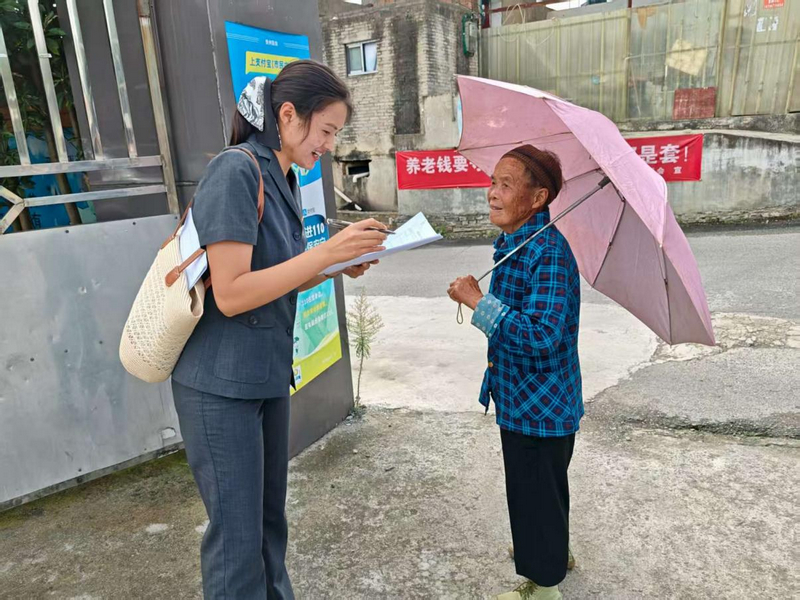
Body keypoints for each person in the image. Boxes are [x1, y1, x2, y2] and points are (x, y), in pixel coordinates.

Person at [170, 60, 387, 600]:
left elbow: (273, 277)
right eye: (328, 131)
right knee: (237, 541)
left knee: (269, 528)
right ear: (289, 116)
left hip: (264, 379)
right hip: (220, 386)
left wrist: (334, 265)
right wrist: (326, 253)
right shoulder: (236, 169)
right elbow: (234, 290)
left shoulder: (281, 176)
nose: (330, 146)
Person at [447, 145, 582, 600]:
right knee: (536, 493)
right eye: (492, 182)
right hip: (520, 399)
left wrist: (476, 302)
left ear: (538, 197)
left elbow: (542, 336)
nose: (492, 193)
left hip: (541, 407)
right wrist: (484, 298)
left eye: (506, 185)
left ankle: (544, 588)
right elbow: (517, 320)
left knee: (535, 496)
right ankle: (550, 553)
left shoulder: (548, 253)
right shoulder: (516, 244)